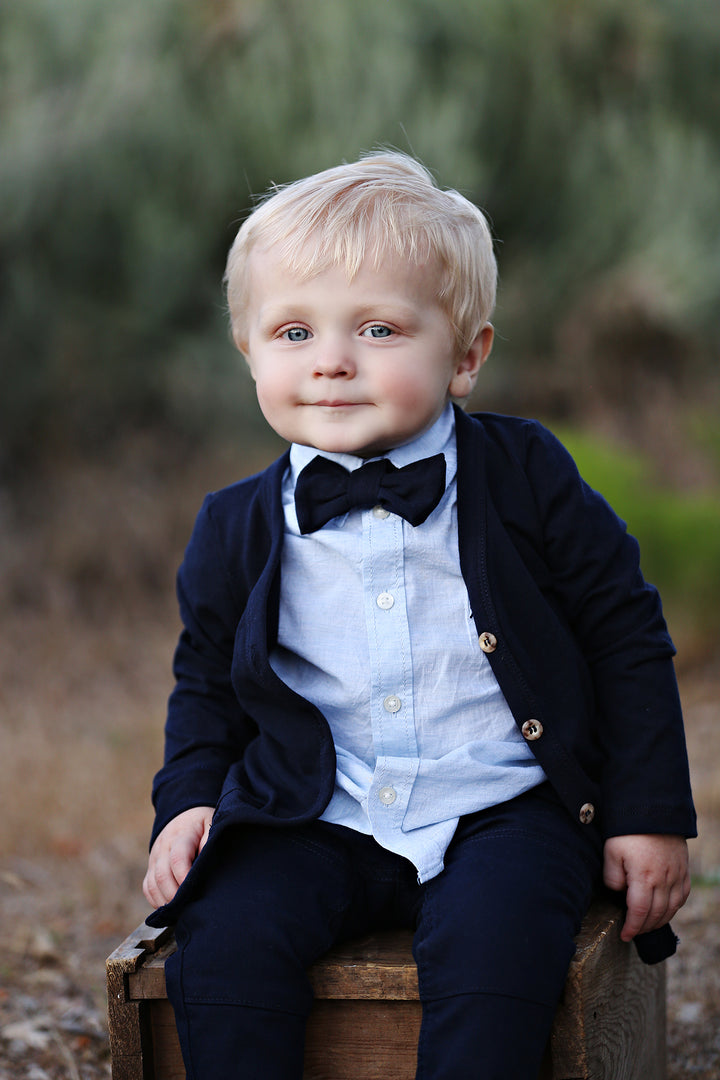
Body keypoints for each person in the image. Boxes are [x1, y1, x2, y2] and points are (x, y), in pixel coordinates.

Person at [142, 152, 696, 1079]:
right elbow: (204, 682)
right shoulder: (232, 524)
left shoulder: (529, 477)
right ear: (247, 352)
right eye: (290, 331)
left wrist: (648, 814)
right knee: (224, 942)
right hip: (315, 807)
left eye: (377, 328)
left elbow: (623, 634)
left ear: (466, 355)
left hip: (502, 804)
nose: (329, 360)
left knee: (498, 963)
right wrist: (187, 802)